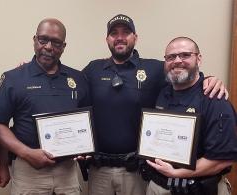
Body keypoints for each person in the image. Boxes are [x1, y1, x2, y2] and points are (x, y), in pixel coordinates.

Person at [81, 14, 227, 195]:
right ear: (107, 39)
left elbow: (184, 75)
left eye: (126, 32)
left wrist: (210, 80)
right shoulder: (93, 69)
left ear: (135, 37)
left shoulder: (155, 69)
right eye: (113, 33)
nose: (119, 37)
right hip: (99, 170)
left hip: (135, 171)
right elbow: (71, 94)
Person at [0, 18, 90, 195]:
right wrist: (27, 153)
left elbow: (85, 122)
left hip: (67, 172)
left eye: (56, 42)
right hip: (29, 171)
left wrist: (84, 148)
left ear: (64, 46)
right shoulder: (13, 78)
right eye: (43, 40)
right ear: (35, 40)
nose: (49, 47)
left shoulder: (78, 79)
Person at [144, 37, 237, 195]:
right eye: (171, 57)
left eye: (185, 55)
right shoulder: (163, 93)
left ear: (198, 59)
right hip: (158, 187)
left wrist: (177, 173)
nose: (177, 61)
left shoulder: (214, 99)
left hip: (199, 190)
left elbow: (223, 159)